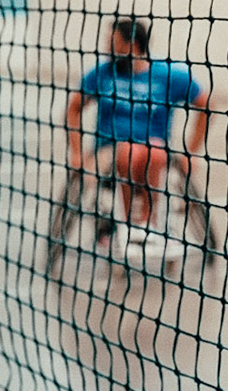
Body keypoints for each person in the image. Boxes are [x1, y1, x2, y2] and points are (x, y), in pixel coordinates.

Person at [64, 19, 210, 241]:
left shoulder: (168, 75)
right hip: (108, 150)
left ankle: (147, 221)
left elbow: (205, 105)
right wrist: (76, 153)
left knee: (155, 151)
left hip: (153, 147)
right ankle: (128, 221)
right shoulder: (103, 73)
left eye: (112, 43)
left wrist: (192, 152)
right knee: (129, 151)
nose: (106, 48)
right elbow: (73, 109)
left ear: (131, 45)